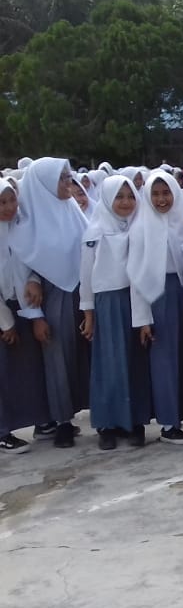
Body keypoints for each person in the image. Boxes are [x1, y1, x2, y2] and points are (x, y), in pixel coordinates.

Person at [11, 157, 89, 448]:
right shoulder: (26, 226)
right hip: (51, 298)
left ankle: (78, 411)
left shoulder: (72, 212)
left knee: (80, 358)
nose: (69, 184)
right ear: (43, 184)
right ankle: (62, 422)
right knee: (56, 361)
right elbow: (23, 272)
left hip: (81, 295)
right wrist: (36, 316)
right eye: (62, 179)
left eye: (69, 177)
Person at [80, 175, 149, 450]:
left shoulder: (140, 229)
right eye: (119, 197)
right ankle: (108, 424)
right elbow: (86, 277)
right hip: (107, 304)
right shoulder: (95, 232)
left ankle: (134, 422)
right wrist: (88, 314)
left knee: (133, 363)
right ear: (107, 198)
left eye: (130, 196)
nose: (125, 202)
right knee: (109, 364)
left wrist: (144, 318)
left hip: (133, 302)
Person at [130, 171, 183, 445]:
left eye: (166, 192)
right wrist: (143, 317)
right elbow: (136, 277)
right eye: (155, 194)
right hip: (157, 297)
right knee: (165, 362)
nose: (161, 199)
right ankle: (169, 423)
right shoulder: (141, 228)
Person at [0, 180, 47, 453]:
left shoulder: (21, 228)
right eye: (1, 203)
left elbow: (32, 262)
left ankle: (40, 421)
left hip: (24, 306)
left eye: (11, 201)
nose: (8, 208)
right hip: (5, 313)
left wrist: (34, 281)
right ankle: (3, 430)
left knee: (27, 371)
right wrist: (5, 323)